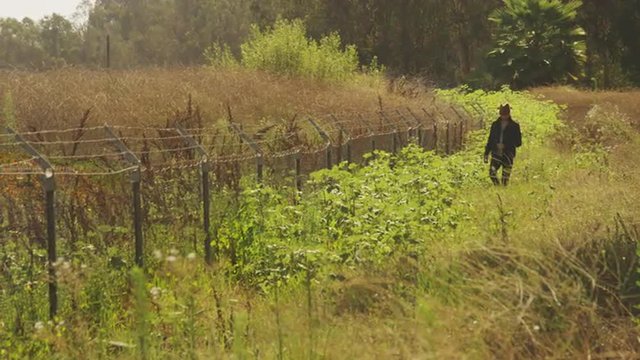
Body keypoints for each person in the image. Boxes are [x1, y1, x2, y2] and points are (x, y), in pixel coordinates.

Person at [484, 104, 522, 186]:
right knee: (492, 173)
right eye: (502, 115)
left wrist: (506, 145)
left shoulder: (514, 126)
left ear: (509, 114)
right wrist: (486, 153)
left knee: (505, 178)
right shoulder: (495, 125)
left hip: (508, 154)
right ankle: (498, 187)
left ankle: (503, 192)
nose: (504, 117)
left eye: (505, 115)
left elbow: (518, 142)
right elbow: (490, 139)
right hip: (495, 153)